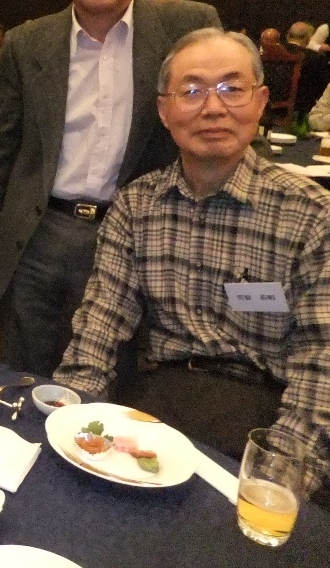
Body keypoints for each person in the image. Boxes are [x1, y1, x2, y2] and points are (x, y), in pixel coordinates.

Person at [54, 29, 330, 500]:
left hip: (266, 413)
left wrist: (276, 479)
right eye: (192, 91)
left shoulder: (311, 214)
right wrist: (70, 418)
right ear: (164, 111)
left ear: (261, 101)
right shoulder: (137, 205)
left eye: (232, 88)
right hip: (159, 404)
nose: (213, 108)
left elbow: (320, 366)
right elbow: (101, 321)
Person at [0, 0, 221, 376]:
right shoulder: (27, 42)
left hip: (133, 233)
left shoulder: (186, 29)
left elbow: (216, 122)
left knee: (115, 374)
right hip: (39, 233)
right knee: (24, 369)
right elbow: (1, 146)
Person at [285, 21, 330, 116]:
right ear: (308, 39)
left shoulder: (272, 53)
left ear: (288, 36)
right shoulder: (317, 58)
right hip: (304, 109)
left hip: (272, 106)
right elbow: (323, 88)